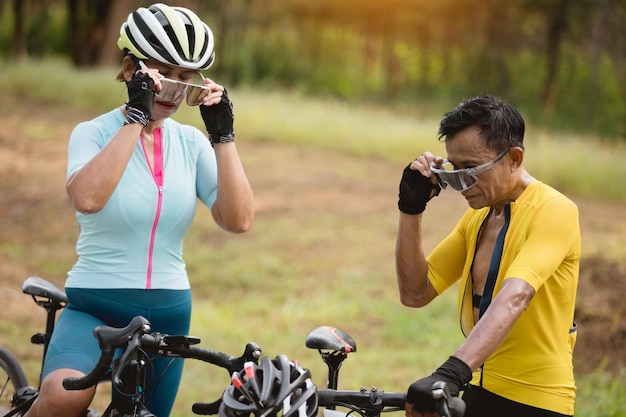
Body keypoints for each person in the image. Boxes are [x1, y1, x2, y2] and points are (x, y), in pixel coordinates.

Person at [24, 4, 254, 417]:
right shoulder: (93, 133)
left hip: (169, 313)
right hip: (95, 304)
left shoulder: (190, 144)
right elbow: (88, 198)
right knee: (64, 397)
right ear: (132, 71)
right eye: (164, 75)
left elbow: (238, 220)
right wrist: (135, 118)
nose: (174, 91)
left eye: (186, 79)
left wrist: (223, 136)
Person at [395, 95, 580, 417]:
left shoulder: (554, 210)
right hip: (480, 386)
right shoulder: (478, 217)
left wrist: (451, 373)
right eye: (455, 170)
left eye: (472, 169)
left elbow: (516, 295)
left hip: (535, 399)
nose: (463, 184)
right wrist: (410, 208)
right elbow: (415, 292)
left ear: (514, 158)